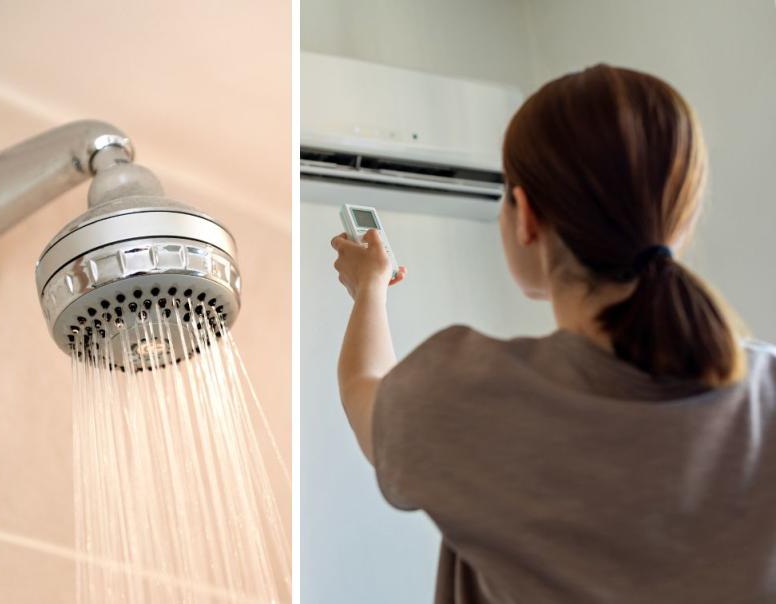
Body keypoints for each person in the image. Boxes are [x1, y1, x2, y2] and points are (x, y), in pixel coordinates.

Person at [329, 64, 776, 603]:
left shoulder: (472, 396)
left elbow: (364, 389)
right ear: (680, 221)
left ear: (526, 217)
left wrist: (369, 287)